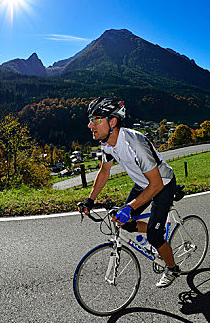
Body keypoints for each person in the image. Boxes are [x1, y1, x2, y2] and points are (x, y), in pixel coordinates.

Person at [78, 97, 180, 288]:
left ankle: (172, 268)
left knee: (154, 236)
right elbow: (105, 171)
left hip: (162, 184)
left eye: (96, 119)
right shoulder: (106, 142)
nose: (90, 125)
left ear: (113, 122)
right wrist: (90, 200)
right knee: (124, 222)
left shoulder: (135, 142)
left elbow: (156, 185)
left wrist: (129, 207)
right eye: (90, 119)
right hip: (143, 184)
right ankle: (156, 230)